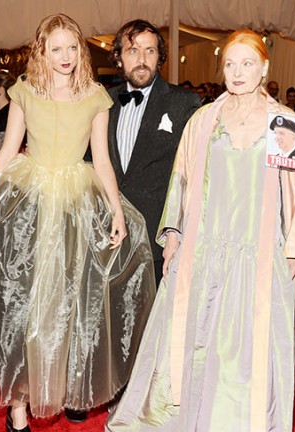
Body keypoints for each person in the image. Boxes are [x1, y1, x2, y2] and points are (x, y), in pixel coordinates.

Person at [106, 29, 295, 432]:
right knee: (200, 340)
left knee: (245, 348)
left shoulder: (283, 123)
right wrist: (173, 234)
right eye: (231, 64)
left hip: (258, 253)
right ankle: (191, 427)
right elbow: (181, 182)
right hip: (203, 250)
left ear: (264, 68)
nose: (238, 73)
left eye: (247, 64)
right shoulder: (205, 119)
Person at [0, 13, 155, 432]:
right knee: (22, 305)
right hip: (28, 206)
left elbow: (102, 161)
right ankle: (18, 413)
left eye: (72, 47)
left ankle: (66, 385)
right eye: (57, 49)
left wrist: (116, 211)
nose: (66, 56)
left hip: (75, 208)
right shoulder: (25, 91)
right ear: (42, 51)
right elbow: (8, 149)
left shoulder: (95, 97)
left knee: (70, 303)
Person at [105, 19, 201, 284]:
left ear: (160, 57)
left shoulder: (184, 103)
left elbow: (193, 176)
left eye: (150, 51)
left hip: (158, 242)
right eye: (132, 51)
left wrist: (176, 233)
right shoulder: (102, 102)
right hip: (109, 236)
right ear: (118, 57)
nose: (142, 60)